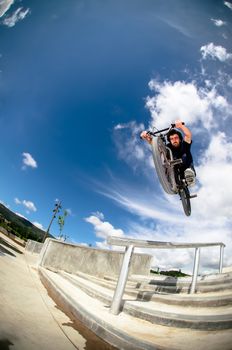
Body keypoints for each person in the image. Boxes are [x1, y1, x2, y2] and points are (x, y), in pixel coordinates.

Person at [140, 120, 196, 186]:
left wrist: (181, 126)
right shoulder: (168, 147)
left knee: (185, 156)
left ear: (180, 139)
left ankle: (190, 178)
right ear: (169, 140)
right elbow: (156, 146)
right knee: (164, 154)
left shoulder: (184, 144)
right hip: (174, 171)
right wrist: (146, 137)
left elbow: (188, 135)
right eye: (172, 139)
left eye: (176, 138)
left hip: (186, 167)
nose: (174, 140)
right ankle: (173, 182)